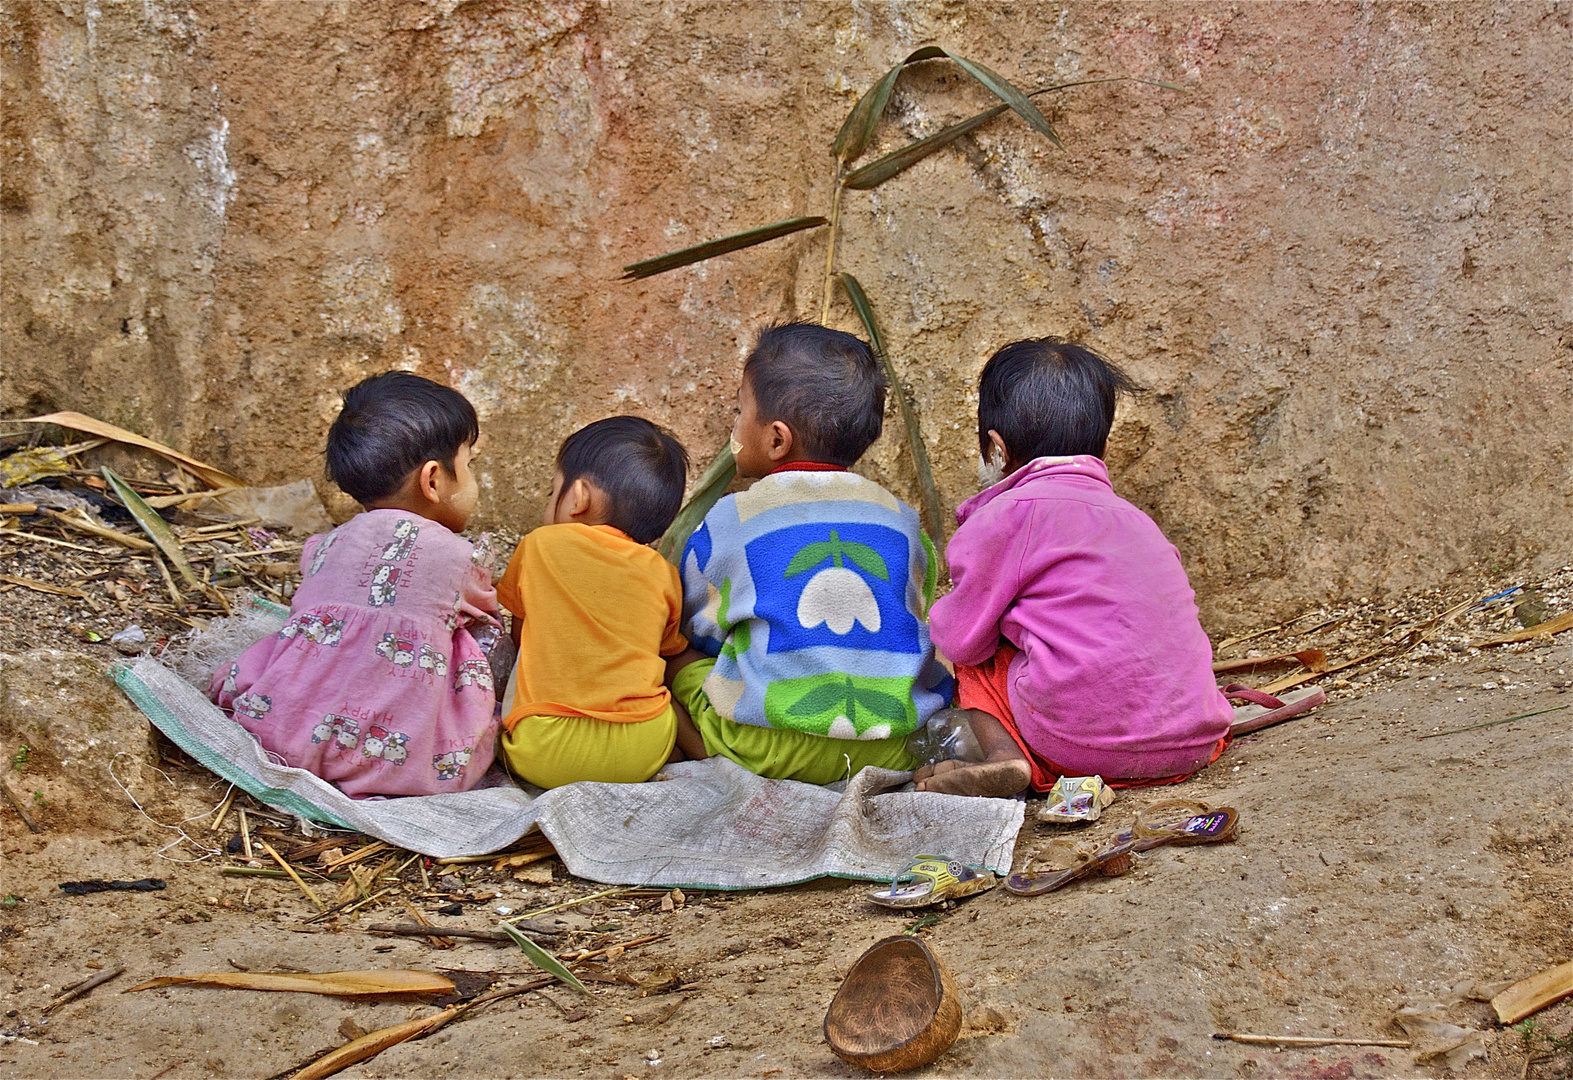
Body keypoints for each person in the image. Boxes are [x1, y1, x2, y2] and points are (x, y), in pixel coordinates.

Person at [921, 337, 1233, 797]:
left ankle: (1006, 757)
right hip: (1191, 741)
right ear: (1100, 445)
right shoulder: (1136, 520)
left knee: (978, 653)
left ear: (996, 448)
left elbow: (961, 641)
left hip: (1082, 746)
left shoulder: (1007, 516)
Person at [664, 322, 953, 785]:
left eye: (740, 413)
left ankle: (709, 757)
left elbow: (697, 628)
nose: (733, 428)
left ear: (777, 439)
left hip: (766, 746)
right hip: (893, 747)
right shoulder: (902, 519)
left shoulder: (731, 518)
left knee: (674, 658)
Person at [211, 372, 503, 798]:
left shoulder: (323, 545)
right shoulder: (463, 558)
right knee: (482, 636)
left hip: (283, 736)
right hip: (402, 764)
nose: (473, 481)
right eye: (470, 466)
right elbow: (488, 620)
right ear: (434, 480)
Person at [494, 416, 691, 789]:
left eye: (552, 492)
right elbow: (662, 655)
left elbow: (521, 639)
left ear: (579, 497)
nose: (550, 502)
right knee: (654, 692)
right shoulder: (664, 573)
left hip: (543, 749)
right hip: (640, 749)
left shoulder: (539, 545)